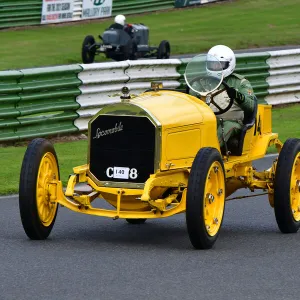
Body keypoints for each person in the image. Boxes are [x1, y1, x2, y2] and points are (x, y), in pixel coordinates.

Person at [189, 45, 256, 149]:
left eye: (219, 65)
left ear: (229, 64)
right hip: (207, 120)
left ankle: (209, 152)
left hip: (232, 122)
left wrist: (237, 95)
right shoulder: (201, 83)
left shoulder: (241, 82)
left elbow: (251, 106)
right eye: (213, 64)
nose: (216, 68)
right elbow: (190, 100)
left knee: (226, 126)